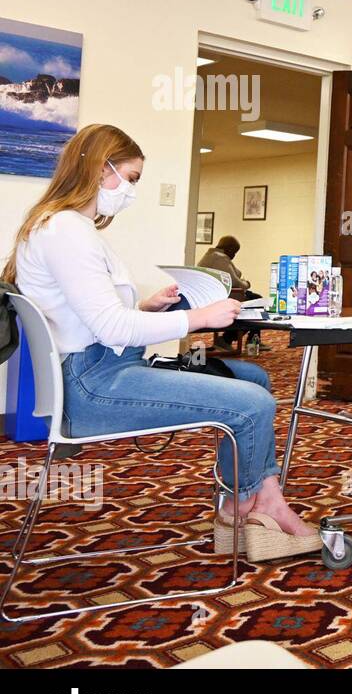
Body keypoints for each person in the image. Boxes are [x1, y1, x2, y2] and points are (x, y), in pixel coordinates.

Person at [4, 124, 317, 561]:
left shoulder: (64, 227)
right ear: (100, 168)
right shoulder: (67, 231)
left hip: (98, 367)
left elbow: (92, 319)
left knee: (253, 376)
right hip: (93, 384)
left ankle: (257, 499)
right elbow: (112, 331)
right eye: (130, 179)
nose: (131, 191)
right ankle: (248, 505)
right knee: (254, 403)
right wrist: (199, 317)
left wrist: (149, 308)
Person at [198, 234, 255, 350]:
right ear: (229, 249)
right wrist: (247, 284)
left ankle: (253, 338)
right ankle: (228, 340)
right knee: (255, 304)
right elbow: (234, 281)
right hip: (222, 296)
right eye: (234, 252)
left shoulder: (210, 255)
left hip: (213, 294)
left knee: (256, 298)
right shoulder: (220, 258)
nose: (234, 255)